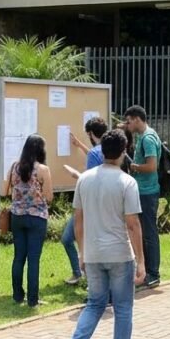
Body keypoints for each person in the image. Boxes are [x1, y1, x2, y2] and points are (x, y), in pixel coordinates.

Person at [61, 129, 146, 339]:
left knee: (94, 304)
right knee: (123, 309)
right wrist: (141, 261)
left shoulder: (84, 180)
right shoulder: (126, 182)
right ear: (123, 152)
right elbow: (133, 224)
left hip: (93, 253)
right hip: (119, 253)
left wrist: (82, 252)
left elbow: (78, 220)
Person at [1, 134, 53, 307]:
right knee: (33, 259)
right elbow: (49, 197)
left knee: (19, 257)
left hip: (17, 217)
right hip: (37, 218)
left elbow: (5, 191)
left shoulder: (14, 167)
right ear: (40, 150)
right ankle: (32, 299)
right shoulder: (43, 169)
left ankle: (17, 296)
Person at [63, 117, 109, 285]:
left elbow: (90, 181)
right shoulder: (111, 149)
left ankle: (83, 275)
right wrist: (80, 145)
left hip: (89, 205)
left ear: (90, 133)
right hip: (106, 204)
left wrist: (77, 175)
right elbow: (96, 156)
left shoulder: (94, 154)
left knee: (68, 238)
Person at [124, 105, 162, 287]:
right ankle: (146, 272)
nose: (127, 125)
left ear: (137, 119)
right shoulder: (145, 135)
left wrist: (134, 167)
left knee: (149, 233)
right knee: (144, 232)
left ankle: (153, 274)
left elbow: (152, 166)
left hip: (147, 192)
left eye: (129, 121)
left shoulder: (147, 139)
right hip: (144, 191)